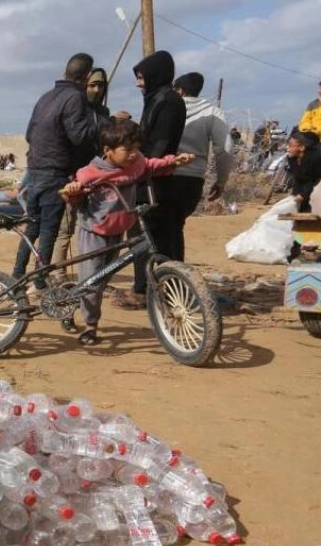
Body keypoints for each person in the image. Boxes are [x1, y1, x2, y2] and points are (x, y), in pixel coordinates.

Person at [60, 120, 193, 346]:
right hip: (94, 230)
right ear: (107, 151)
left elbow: (150, 165)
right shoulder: (90, 173)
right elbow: (73, 196)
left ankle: (72, 297)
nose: (134, 154)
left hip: (119, 228)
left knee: (101, 278)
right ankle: (91, 326)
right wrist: (72, 191)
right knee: (93, 281)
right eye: (127, 149)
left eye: (137, 148)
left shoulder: (136, 163)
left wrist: (174, 161)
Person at [15, 53, 101, 292]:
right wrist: (101, 126)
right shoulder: (75, 97)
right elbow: (78, 135)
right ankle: (39, 280)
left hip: (35, 170)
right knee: (48, 231)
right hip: (53, 173)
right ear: (86, 76)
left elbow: (29, 135)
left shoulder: (46, 97)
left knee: (32, 227)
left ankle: (17, 276)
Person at [122, 50, 186, 309]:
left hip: (154, 180)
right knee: (155, 235)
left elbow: (159, 144)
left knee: (149, 235)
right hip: (152, 176)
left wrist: (138, 167)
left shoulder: (168, 102)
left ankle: (148, 291)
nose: (138, 83)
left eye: (141, 77)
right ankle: (160, 289)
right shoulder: (157, 99)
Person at [54, 66, 115, 301]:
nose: (97, 89)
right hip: (74, 176)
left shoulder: (104, 113)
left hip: (97, 178)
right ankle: (59, 274)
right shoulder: (76, 108)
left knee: (93, 228)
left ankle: (94, 278)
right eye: (92, 85)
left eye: (101, 85)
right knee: (65, 229)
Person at [172, 72, 235, 236]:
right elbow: (225, 149)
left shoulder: (166, 108)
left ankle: (163, 261)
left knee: (158, 227)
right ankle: (173, 261)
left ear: (179, 91)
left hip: (164, 174)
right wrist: (220, 182)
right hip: (192, 180)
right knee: (176, 226)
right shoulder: (212, 112)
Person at [285, 130, 321, 213]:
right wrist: (295, 195)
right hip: (305, 191)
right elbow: (298, 180)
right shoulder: (292, 159)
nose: (287, 148)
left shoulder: (316, 158)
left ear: (302, 148)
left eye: (290, 146)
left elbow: (317, 181)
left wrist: (303, 195)